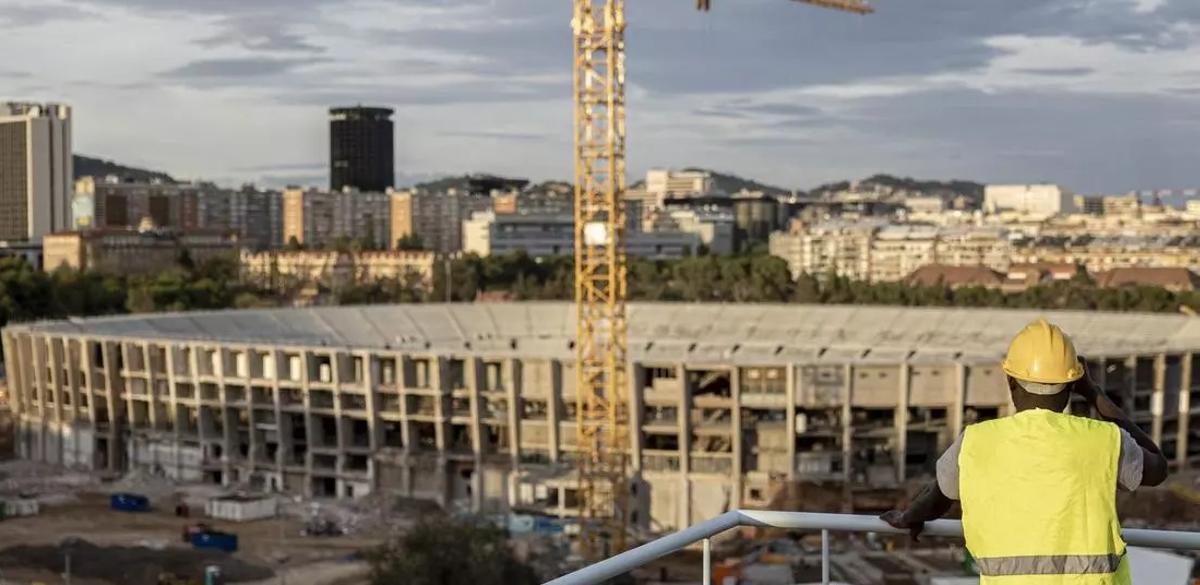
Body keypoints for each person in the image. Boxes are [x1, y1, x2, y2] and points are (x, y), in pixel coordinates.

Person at [881, 318, 1169, 584]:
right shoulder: (1105, 440)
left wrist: (909, 517)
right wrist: (1094, 393)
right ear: (1071, 386)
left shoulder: (976, 441)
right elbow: (1157, 469)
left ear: (1010, 381)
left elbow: (937, 497)